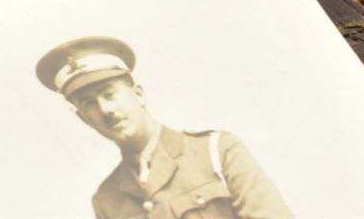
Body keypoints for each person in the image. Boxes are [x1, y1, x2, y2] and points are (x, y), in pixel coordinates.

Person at [37, 36, 293, 219]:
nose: (105, 109)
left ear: (138, 94)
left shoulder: (217, 151)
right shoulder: (107, 201)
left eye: (109, 93)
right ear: (84, 119)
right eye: (89, 103)